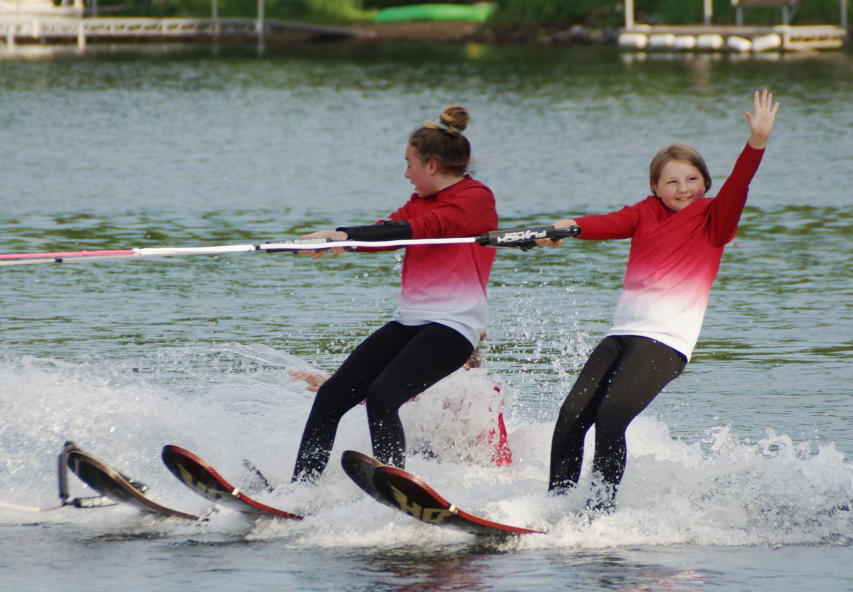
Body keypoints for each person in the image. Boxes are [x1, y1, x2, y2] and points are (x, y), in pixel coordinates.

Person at [536, 89, 779, 510]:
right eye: (672, 181)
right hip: (622, 335)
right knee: (571, 418)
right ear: (655, 186)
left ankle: (599, 515)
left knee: (611, 420)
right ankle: (553, 510)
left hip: (665, 341)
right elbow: (604, 223)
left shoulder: (714, 220)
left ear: (705, 183)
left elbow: (740, 183)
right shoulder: (644, 213)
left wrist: (756, 141)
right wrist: (564, 227)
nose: (683, 189)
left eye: (691, 180)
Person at [290, 105, 499, 481]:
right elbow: (390, 230)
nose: (406, 174)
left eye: (409, 164)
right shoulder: (420, 201)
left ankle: (397, 489)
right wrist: (342, 242)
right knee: (331, 398)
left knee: (384, 396)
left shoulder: (475, 198)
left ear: (432, 166)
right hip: (409, 322)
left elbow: (422, 228)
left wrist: (344, 234)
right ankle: (298, 492)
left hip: (454, 327)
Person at [288, 332, 513, 468]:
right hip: (436, 455)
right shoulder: (425, 384)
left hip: (485, 463)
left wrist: (498, 477)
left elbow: (496, 449)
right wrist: (330, 381)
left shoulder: (480, 388)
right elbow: (377, 386)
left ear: (462, 362)